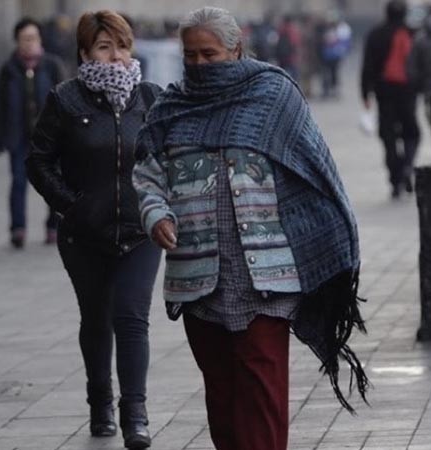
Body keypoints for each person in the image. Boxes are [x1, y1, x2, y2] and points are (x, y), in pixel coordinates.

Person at [133, 7, 369, 450]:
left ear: (236, 49)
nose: (200, 65)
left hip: (267, 277)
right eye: (191, 56)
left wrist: (324, 237)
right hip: (197, 276)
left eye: (210, 54)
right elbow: (147, 173)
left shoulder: (272, 96)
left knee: (261, 391)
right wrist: (155, 213)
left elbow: (312, 168)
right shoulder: (171, 108)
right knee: (221, 395)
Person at [26, 10, 163, 450]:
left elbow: (169, 159)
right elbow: (38, 161)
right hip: (84, 235)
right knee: (97, 319)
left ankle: (135, 414)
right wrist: (71, 205)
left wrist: (161, 207)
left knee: (132, 318)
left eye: (122, 46)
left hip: (140, 232)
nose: (117, 56)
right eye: (105, 47)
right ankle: (100, 401)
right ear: (85, 52)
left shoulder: (151, 98)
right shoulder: (66, 99)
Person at [0, 17, 63, 249]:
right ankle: (18, 229)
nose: (29, 43)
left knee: (52, 181)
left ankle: (53, 226)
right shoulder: (9, 68)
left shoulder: (52, 65)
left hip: (49, 138)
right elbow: (0, 105)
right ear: (17, 41)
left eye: (33, 38)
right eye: (24, 39)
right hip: (19, 136)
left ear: (40, 39)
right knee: (19, 182)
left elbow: (66, 101)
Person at [360, 0, 420, 198]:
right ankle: (408, 166)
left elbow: (367, 66)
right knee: (411, 132)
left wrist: (365, 93)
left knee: (388, 136)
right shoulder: (413, 33)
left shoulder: (375, 34)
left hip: (384, 92)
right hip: (408, 91)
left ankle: (395, 179)